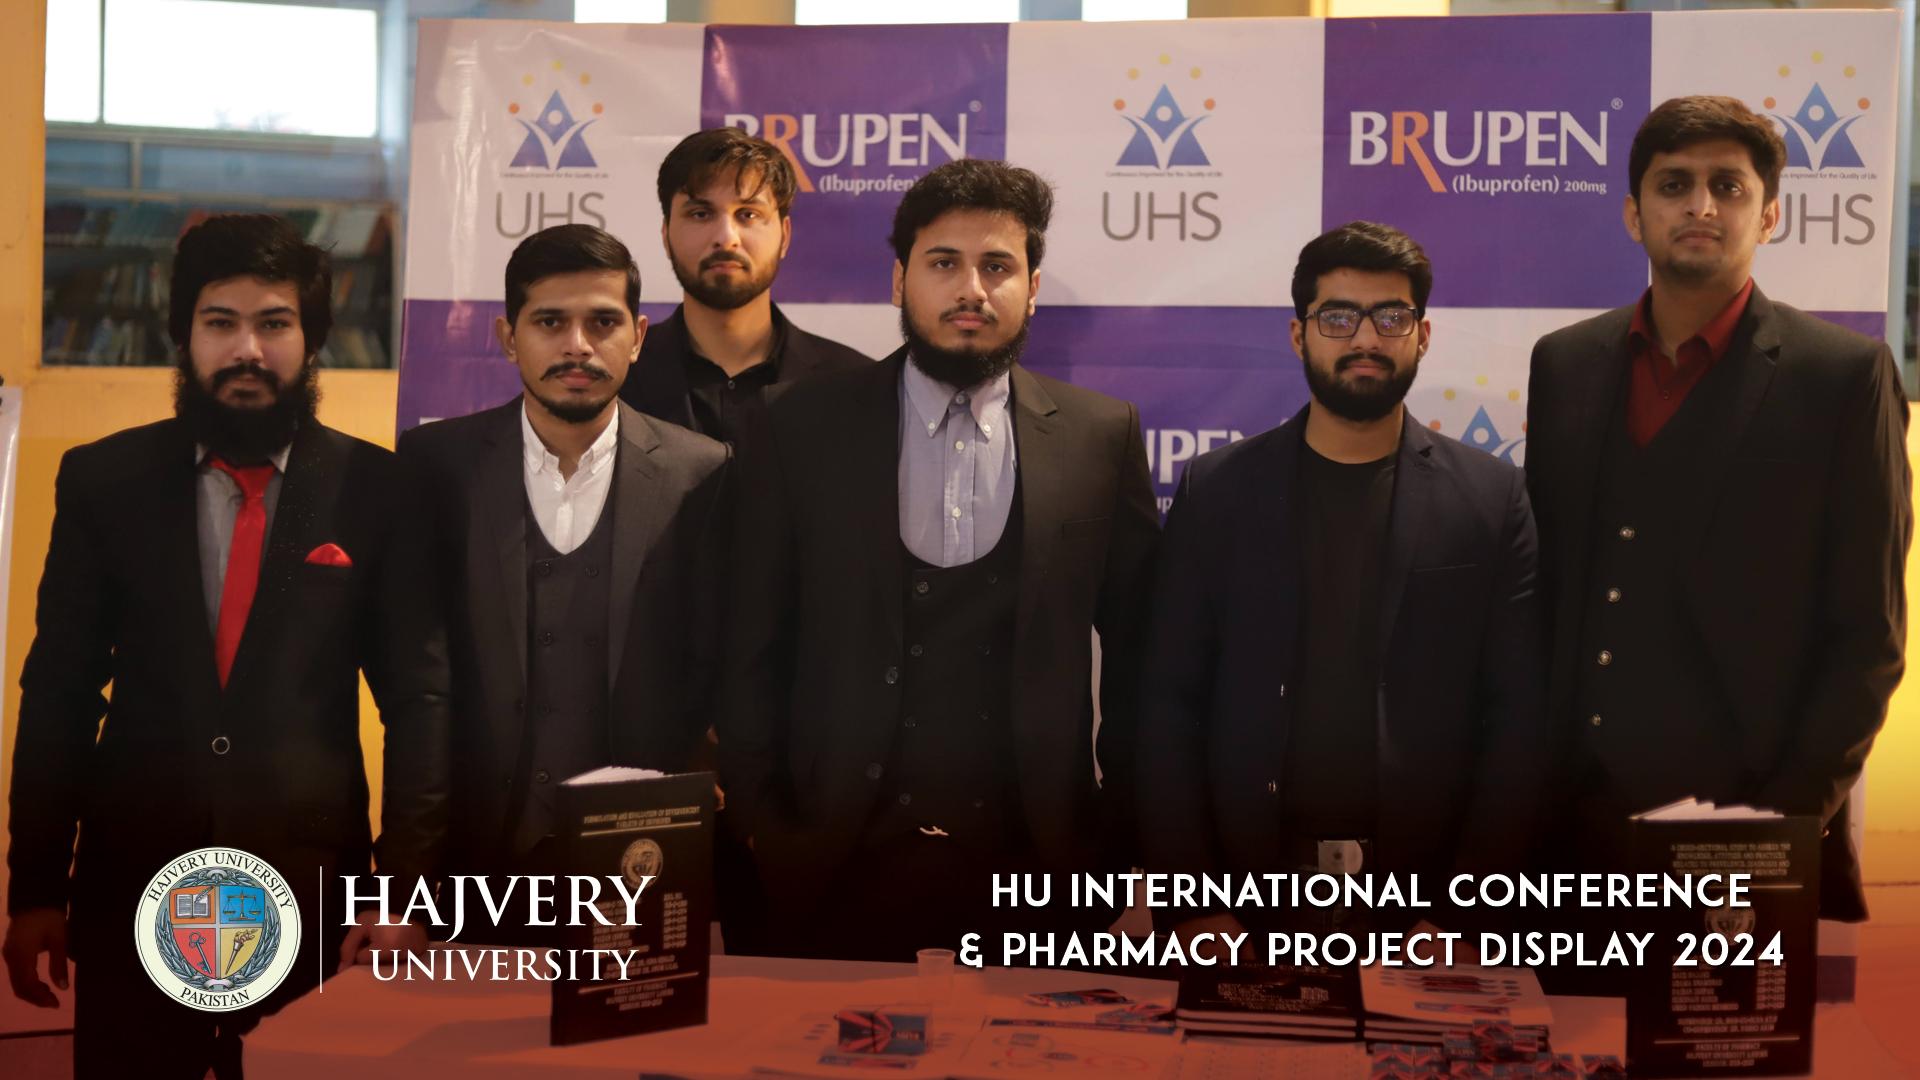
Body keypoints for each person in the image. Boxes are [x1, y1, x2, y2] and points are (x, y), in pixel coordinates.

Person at [3, 214, 446, 1077]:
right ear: (184, 335)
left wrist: (404, 892)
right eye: (220, 322)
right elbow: (58, 693)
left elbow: (420, 703)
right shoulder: (103, 481)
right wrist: (36, 889)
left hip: (315, 899)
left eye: (274, 323)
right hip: (135, 885)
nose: (248, 349)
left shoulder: (379, 490)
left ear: (311, 340)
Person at [718, 159, 1158, 961]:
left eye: (998, 267)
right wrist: (760, 820)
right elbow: (750, 640)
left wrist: (1119, 827)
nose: (971, 290)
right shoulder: (795, 427)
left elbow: (1143, 655)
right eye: (944, 263)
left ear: (1032, 287)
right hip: (830, 865)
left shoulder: (1102, 436)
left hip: (1042, 876)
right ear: (899, 280)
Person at [1526, 95, 1911, 923]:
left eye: (1728, 187)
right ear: (1634, 214)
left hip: (1746, 830)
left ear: (1769, 215)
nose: (1700, 205)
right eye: (1674, 185)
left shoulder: (1843, 376)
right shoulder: (1563, 363)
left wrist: (1778, 833)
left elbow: (1867, 637)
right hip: (1565, 835)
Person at [1137, 221, 1550, 940]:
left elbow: (1515, 720)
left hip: (1426, 908)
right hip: (1244, 900)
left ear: (1423, 335)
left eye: (1390, 317)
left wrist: (1466, 914)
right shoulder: (1218, 490)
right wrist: (1194, 901)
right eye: (1338, 317)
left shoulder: (1490, 498)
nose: (1365, 338)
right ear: (1299, 335)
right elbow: (1169, 701)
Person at [385, 224, 730, 904]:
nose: (578, 345)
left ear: (638, 336)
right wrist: (405, 882)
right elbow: (418, 688)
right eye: (550, 322)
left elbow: (719, 668)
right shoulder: (435, 467)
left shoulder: (703, 472)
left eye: (602, 322)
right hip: (477, 864)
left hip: (644, 863)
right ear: (508, 336)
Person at [621, 127, 871, 445]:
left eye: (748, 214)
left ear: (785, 236)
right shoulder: (616, 377)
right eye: (700, 214)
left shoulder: (855, 384)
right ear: (666, 235)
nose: (726, 238)